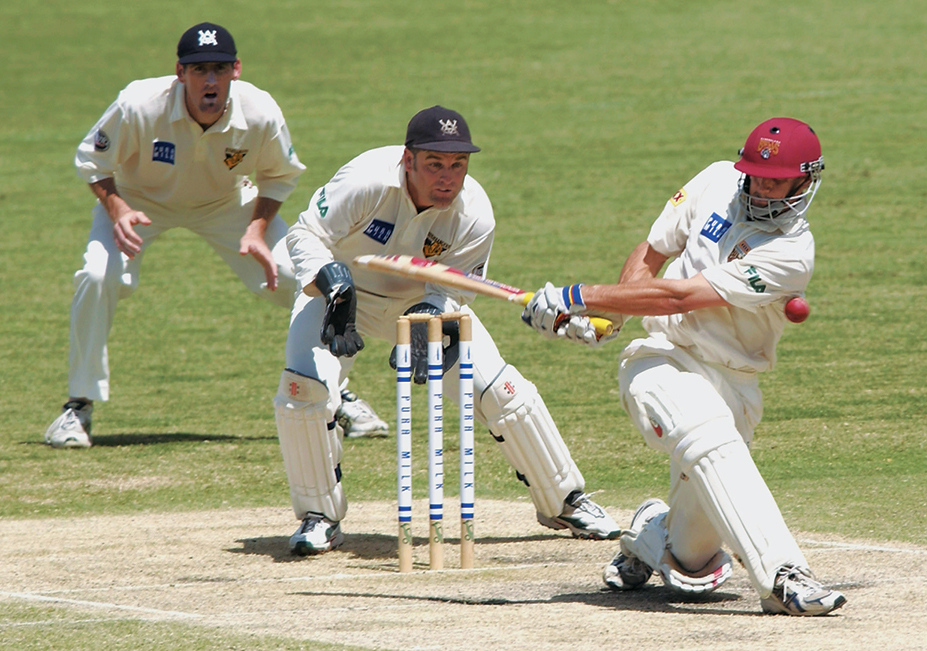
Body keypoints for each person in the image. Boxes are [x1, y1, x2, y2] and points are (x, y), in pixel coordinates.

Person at [522, 118, 847, 616]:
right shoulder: (717, 179)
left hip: (735, 381)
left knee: (693, 563)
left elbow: (678, 294)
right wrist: (611, 315)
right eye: (757, 176)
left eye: (776, 181)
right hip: (662, 359)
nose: (762, 188)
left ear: (806, 180)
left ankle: (651, 534)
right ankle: (785, 577)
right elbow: (651, 254)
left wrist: (577, 297)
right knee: (705, 428)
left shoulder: (790, 253)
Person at [274, 105, 620, 555]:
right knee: (304, 390)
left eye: (458, 164)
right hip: (339, 293)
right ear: (408, 159)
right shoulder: (366, 181)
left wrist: (425, 319)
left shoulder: (474, 212)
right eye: (434, 163)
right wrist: (330, 281)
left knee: (502, 392)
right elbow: (305, 234)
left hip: (421, 301)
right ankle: (320, 516)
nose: (447, 177)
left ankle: (565, 500)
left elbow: (455, 289)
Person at [44, 22, 387, 448]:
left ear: (236, 70)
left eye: (220, 69)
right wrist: (117, 209)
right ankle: (77, 407)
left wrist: (258, 229)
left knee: (306, 278)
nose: (210, 80)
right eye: (200, 69)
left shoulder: (260, 111)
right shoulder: (137, 104)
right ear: (180, 73)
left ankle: (336, 394)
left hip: (225, 205)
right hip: (138, 203)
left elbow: (279, 176)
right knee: (97, 276)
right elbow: (92, 161)